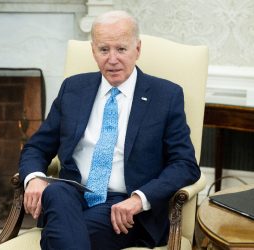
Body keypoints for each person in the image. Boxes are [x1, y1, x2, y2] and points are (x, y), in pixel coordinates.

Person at [19, 10, 200, 250]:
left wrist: (139, 199)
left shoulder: (165, 96)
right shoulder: (73, 88)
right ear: (93, 51)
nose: (112, 59)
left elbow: (185, 164)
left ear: (138, 49)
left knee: (59, 235)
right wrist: (34, 179)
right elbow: (36, 147)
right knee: (56, 192)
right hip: (71, 196)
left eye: (121, 49)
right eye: (104, 50)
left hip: (122, 207)